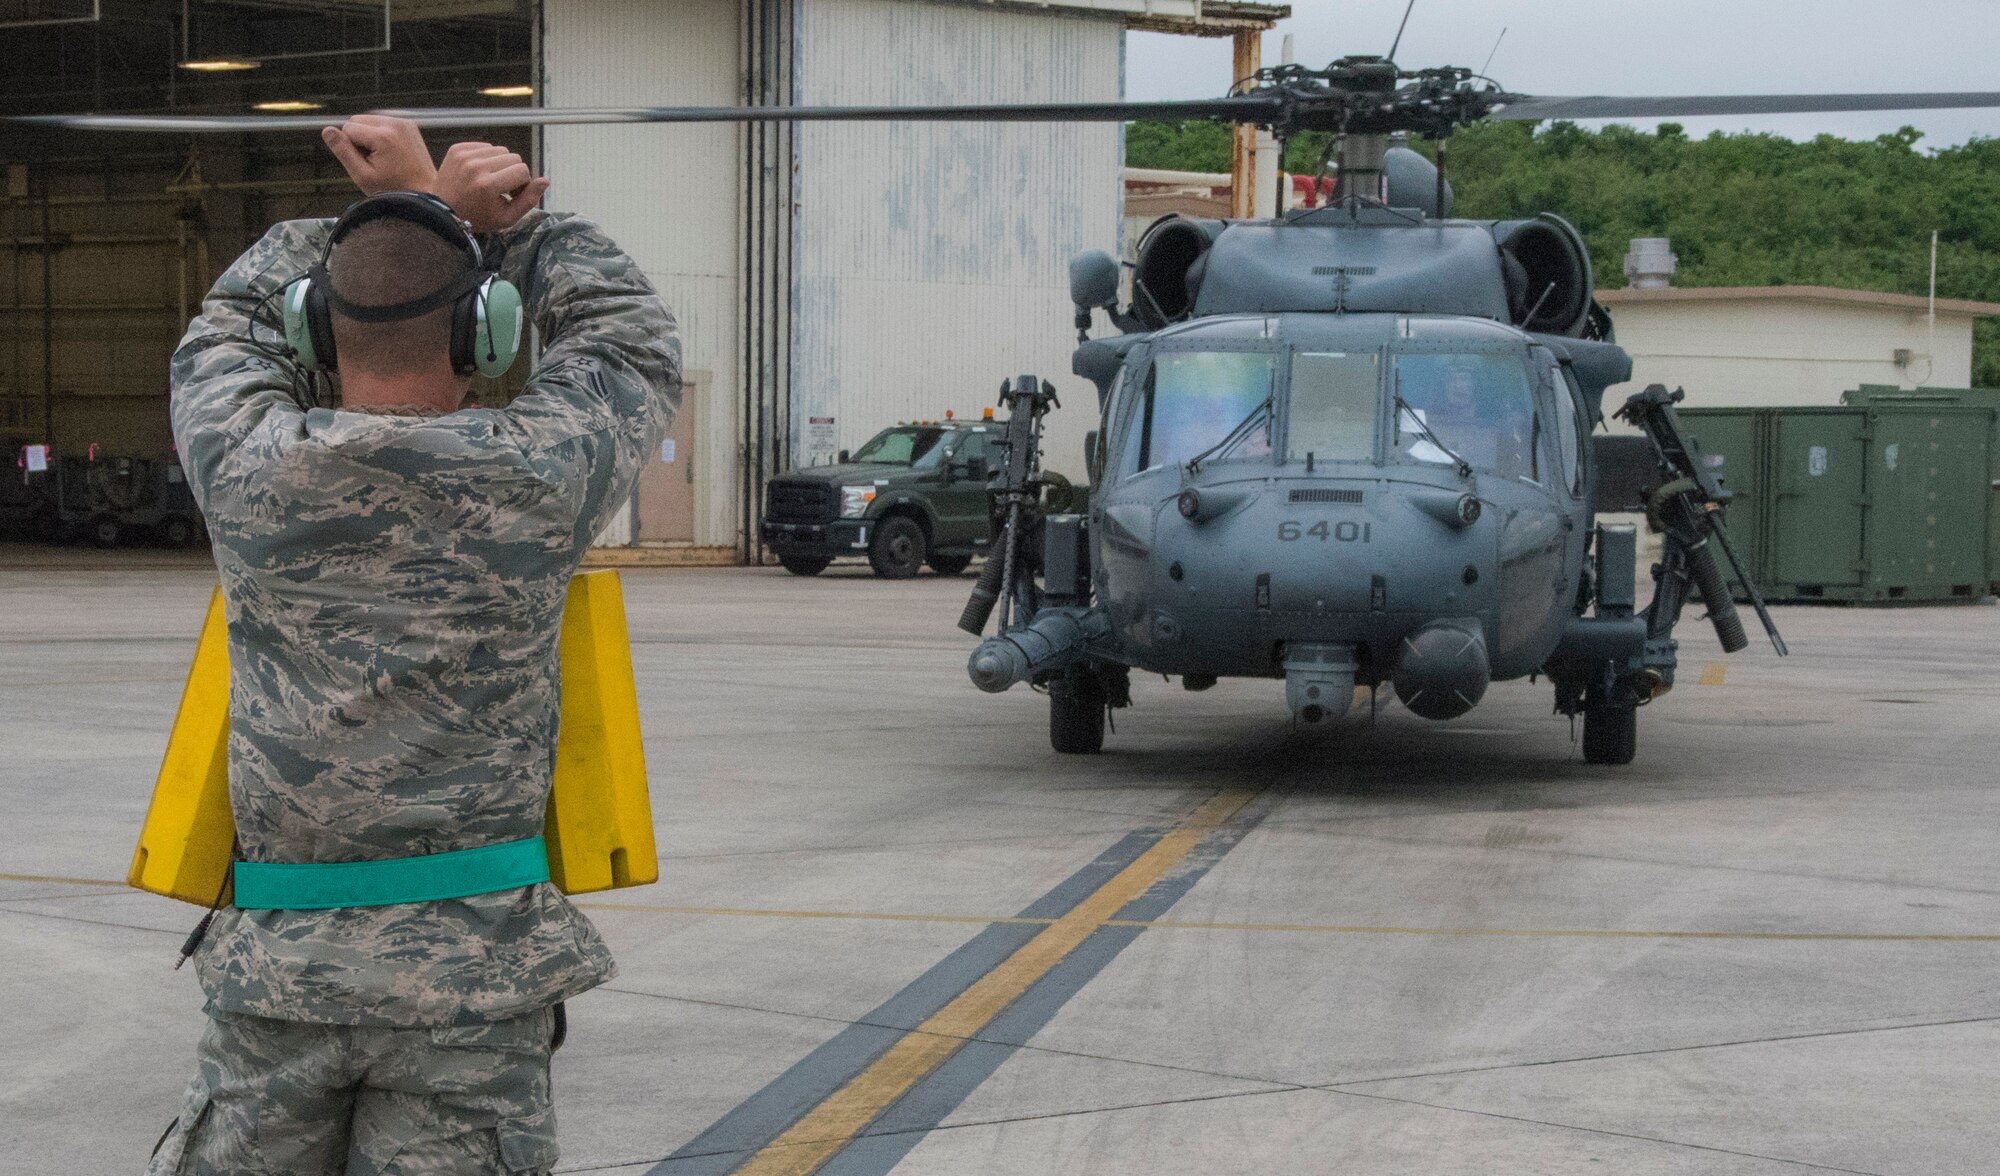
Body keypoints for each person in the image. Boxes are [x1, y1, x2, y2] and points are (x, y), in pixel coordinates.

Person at [145, 114, 681, 1174]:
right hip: (472, 985)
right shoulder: (536, 473)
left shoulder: (250, 466)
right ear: (484, 335)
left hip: (278, 982)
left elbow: (229, 325)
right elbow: (627, 334)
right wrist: (484, 221)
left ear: (315, 333)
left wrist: (401, 210)